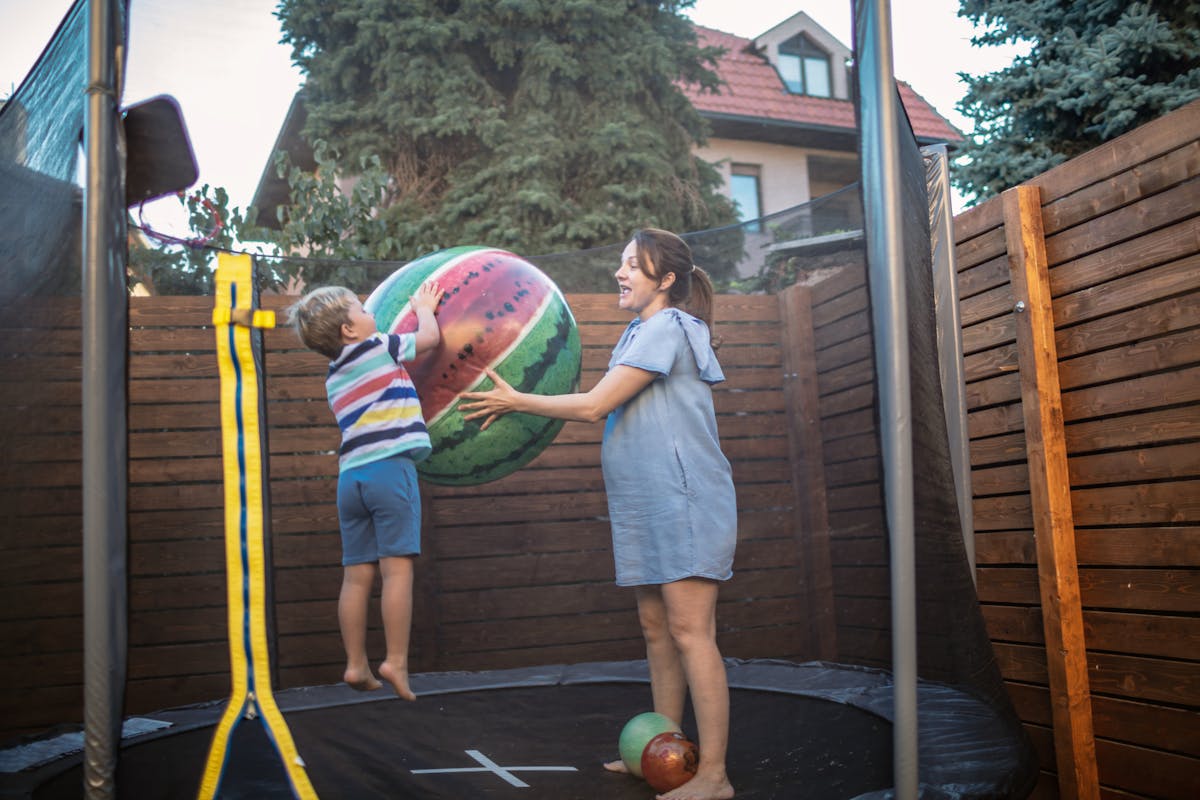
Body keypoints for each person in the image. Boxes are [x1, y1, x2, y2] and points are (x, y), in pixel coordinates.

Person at [459, 228, 737, 800]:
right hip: (647, 501)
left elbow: (594, 406)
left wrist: (515, 399)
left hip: (682, 498)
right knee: (657, 630)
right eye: (621, 261)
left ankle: (713, 776)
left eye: (632, 264)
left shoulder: (667, 327)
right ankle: (664, 751)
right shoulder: (640, 330)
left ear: (665, 280)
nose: (620, 271)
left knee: (691, 632)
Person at [287, 280, 443, 701]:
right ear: (349, 330)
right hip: (390, 471)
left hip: (351, 479)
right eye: (359, 307)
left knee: (356, 577)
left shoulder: (334, 377)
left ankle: (355, 663)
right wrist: (425, 307)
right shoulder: (377, 346)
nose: (368, 310)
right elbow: (429, 339)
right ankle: (395, 660)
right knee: (398, 570)